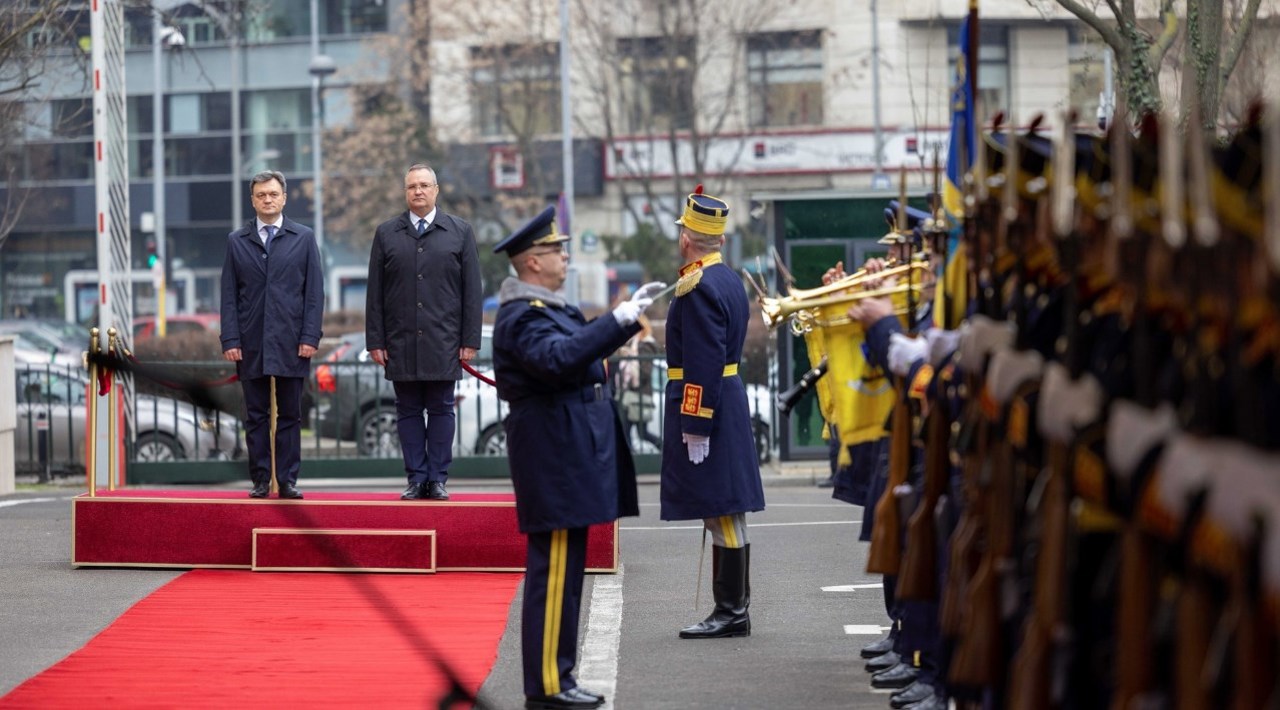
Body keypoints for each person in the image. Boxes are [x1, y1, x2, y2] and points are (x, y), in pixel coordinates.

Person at [490, 205, 664, 710]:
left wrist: (621, 320)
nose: (565, 257)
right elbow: (561, 359)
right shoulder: (524, 315)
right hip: (553, 452)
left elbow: (576, 350)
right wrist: (620, 318)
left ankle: (558, 677)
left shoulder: (546, 308)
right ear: (531, 263)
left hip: (565, 449)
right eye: (555, 251)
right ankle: (546, 685)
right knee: (555, 572)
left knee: (567, 572)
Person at [660, 186, 764, 640]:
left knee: (721, 511)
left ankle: (730, 610)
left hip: (711, 404)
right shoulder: (726, 278)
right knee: (727, 510)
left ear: (688, 238)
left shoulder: (698, 286)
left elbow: (701, 360)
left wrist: (695, 423)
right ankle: (734, 607)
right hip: (727, 397)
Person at [365, 163, 483, 501]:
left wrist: (469, 339)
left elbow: (471, 290)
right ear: (405, 192)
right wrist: (376, 340)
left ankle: (438, 479)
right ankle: (416, 479)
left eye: (424, 185)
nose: (418, 191)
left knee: (443, 408)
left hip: (444, 340)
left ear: (436, 190)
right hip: (400, 340)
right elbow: (375, 293)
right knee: (408, 410)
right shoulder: (387, 233)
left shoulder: (459, 231)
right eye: (412, 186)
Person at [219, 170, 324, 499]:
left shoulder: (303, 238)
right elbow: (228, 296)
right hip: (250, 342)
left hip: (293, 341)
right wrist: (230, 339)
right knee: (255, 415)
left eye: (273, 194)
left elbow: (314, 294)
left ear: (284, 197)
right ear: (252, 200)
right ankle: (262, 479)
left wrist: (310, 336)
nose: (267, 199)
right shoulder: (237, 241)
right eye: (261, 195)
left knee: (291, 414)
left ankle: (288, 479)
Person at [616, 317, 662, 452]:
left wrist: (632, 359)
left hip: (639, 395)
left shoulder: (646, 346)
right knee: (625, 430)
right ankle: (631, 458)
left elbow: (645, 373)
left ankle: (666, 450)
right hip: (629, 397)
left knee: (642, 433)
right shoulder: (632, 346)